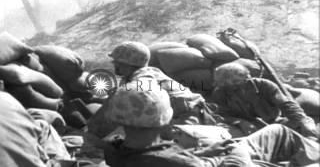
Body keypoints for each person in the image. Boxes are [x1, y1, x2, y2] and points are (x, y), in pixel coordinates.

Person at [104, 80, 320, 167]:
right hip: (235, 162)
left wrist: (209, 152)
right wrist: (236, 152)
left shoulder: (114, 150)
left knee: (276, 131)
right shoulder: (175, 162)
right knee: (278, 136)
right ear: (165, 120)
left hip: (210, 158)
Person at [108, 41, 218, 125]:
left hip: (190, 116)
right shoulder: (132, 76)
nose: (114, 64)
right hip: (183, 112)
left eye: (116, 61)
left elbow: (141, 92)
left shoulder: (144, 75)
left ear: (126, 63)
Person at [211, 63, 318, 139]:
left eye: (240, 80)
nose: (241, 84)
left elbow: (286, 105)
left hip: (274, 122)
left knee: (304, 127)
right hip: (245, 127)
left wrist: (302, 120)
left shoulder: (265, 85)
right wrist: (241, 122)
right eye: (232, 82)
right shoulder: (220, 93)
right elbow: (221, 115)